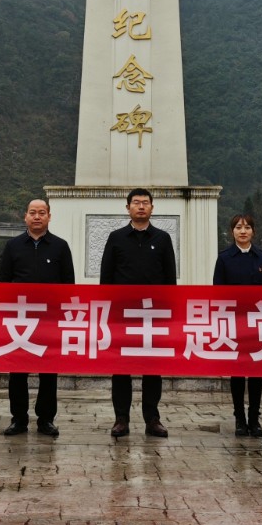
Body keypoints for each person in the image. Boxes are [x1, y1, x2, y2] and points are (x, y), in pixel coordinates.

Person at [99, 187, 178, 438]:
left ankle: (152, 419)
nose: (141, 206)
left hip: (153, 315)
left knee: (152, 367)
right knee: (121, 367)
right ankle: (121, 419)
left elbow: (170, 278)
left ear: (152, 208)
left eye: (145, 202)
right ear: (128, 208)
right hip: (122, 314)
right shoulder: (116, 238)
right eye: (136, 202)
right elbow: (106, 277)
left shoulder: (163, 238)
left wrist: (168, 310)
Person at [0, 197, 76, 437]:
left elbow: (68, 284)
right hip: (20, 319)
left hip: (49, 319)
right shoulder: (13, 246)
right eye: (33, 212)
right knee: (17, 371)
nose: (37, 216)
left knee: (48, 370)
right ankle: (18, 419)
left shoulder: (60, 246)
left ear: (49, 216)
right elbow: (3, 283)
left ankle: (46, 419)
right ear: (25, 217)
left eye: (42, 212)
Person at [212, 213, 262, 437]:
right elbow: (218, 291)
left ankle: (254, 418)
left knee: (256, 373)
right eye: (238, 227)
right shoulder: (224, 258)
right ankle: (239, 418)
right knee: (237, 373)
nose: (243, 231)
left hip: (258, 323)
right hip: (235, 323)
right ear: (232, 232)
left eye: (247, 227)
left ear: (253, 231)